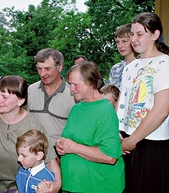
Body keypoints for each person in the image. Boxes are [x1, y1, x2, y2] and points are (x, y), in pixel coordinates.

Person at [0, 75, 61, 193]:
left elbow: (50, 160)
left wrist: (56, 185)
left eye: (5, 97)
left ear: (21, 100)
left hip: (21, 186)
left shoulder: (33, 126)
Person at [117, 12, 169, 193]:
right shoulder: (130, 67)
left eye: (140, 34)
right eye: (132, 34)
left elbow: (161, 110)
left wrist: (133, 140)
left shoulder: (165, 63)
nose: (134, 39)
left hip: (152, 143)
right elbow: (122, 104)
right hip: (127, 141)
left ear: (155, 35)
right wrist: (118, 133)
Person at [55, 61, 125, 193]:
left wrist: (73, 147)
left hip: (97, 186)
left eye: (75, 84)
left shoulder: (105, 111)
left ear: (91, 83)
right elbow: (70, 139)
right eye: (70, 84)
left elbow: (109, 156)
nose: (71, 89)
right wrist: (61, 145)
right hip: (73, 185)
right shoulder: (76, 109)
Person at [28, 48, 75, 148]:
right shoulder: (30, 90)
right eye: (39, 69)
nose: (42, 74)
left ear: (60, 67)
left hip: (60, 154)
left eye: (47, 69)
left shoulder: (73, 94)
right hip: (32, 153)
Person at [107, 23, 137, 89]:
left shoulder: (143, 65)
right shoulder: (116, 69)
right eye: (117, 42)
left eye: (124, 41)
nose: (120, 46)